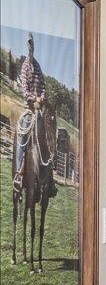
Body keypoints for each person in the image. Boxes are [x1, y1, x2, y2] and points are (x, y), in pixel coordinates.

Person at [12, 33, 46, 192]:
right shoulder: (25, 66)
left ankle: (47, 176)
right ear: (27, 46)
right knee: (23, 137)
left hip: (40, 109)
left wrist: (42, 97)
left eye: (32, 43)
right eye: (29, 43)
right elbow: (24, 90)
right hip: (29, 108)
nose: (31, 46)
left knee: (47, 137)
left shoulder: (38, 66)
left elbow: (43, 86)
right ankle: (18, 173)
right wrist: (34, 98)